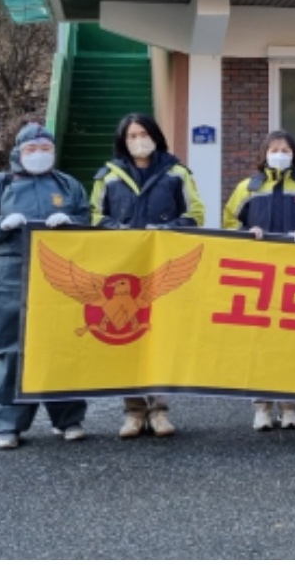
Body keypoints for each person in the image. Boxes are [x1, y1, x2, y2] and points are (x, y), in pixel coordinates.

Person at [0, 122, 90, 449]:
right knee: (11, 349)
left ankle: (68, 419)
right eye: (32, 149)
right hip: (10, 273)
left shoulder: (68, 184)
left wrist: (72, 223)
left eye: (45, 148)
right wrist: (0, 224)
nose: (39, 154)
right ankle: (9, 425)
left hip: (58, 275)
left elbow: (87, 219)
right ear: (18, 151)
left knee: (60, 346)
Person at [90, 112, 205, 440]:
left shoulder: (177, 173)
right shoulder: (107, 176)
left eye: (143, 134)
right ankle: (133, 411)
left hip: (161, 268)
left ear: (155, 136)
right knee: (126, 338)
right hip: (122, 270)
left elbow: (196, 214)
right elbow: (94, 215)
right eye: (132, 136)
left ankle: (159, 410)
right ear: (122, 141)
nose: (138, 140)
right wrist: (120, 230)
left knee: (160, 336)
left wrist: (164, 230)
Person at [223, 130, 295, 431]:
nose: (280, 154)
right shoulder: (248, 187)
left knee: (292, 343)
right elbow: (230, 221)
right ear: (264, 154)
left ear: (294, 155)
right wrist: (246, 233)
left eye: (285, 150)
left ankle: (290, 407)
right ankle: (261, 407)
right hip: (259, 277)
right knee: (259, 343)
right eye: (274, 149)